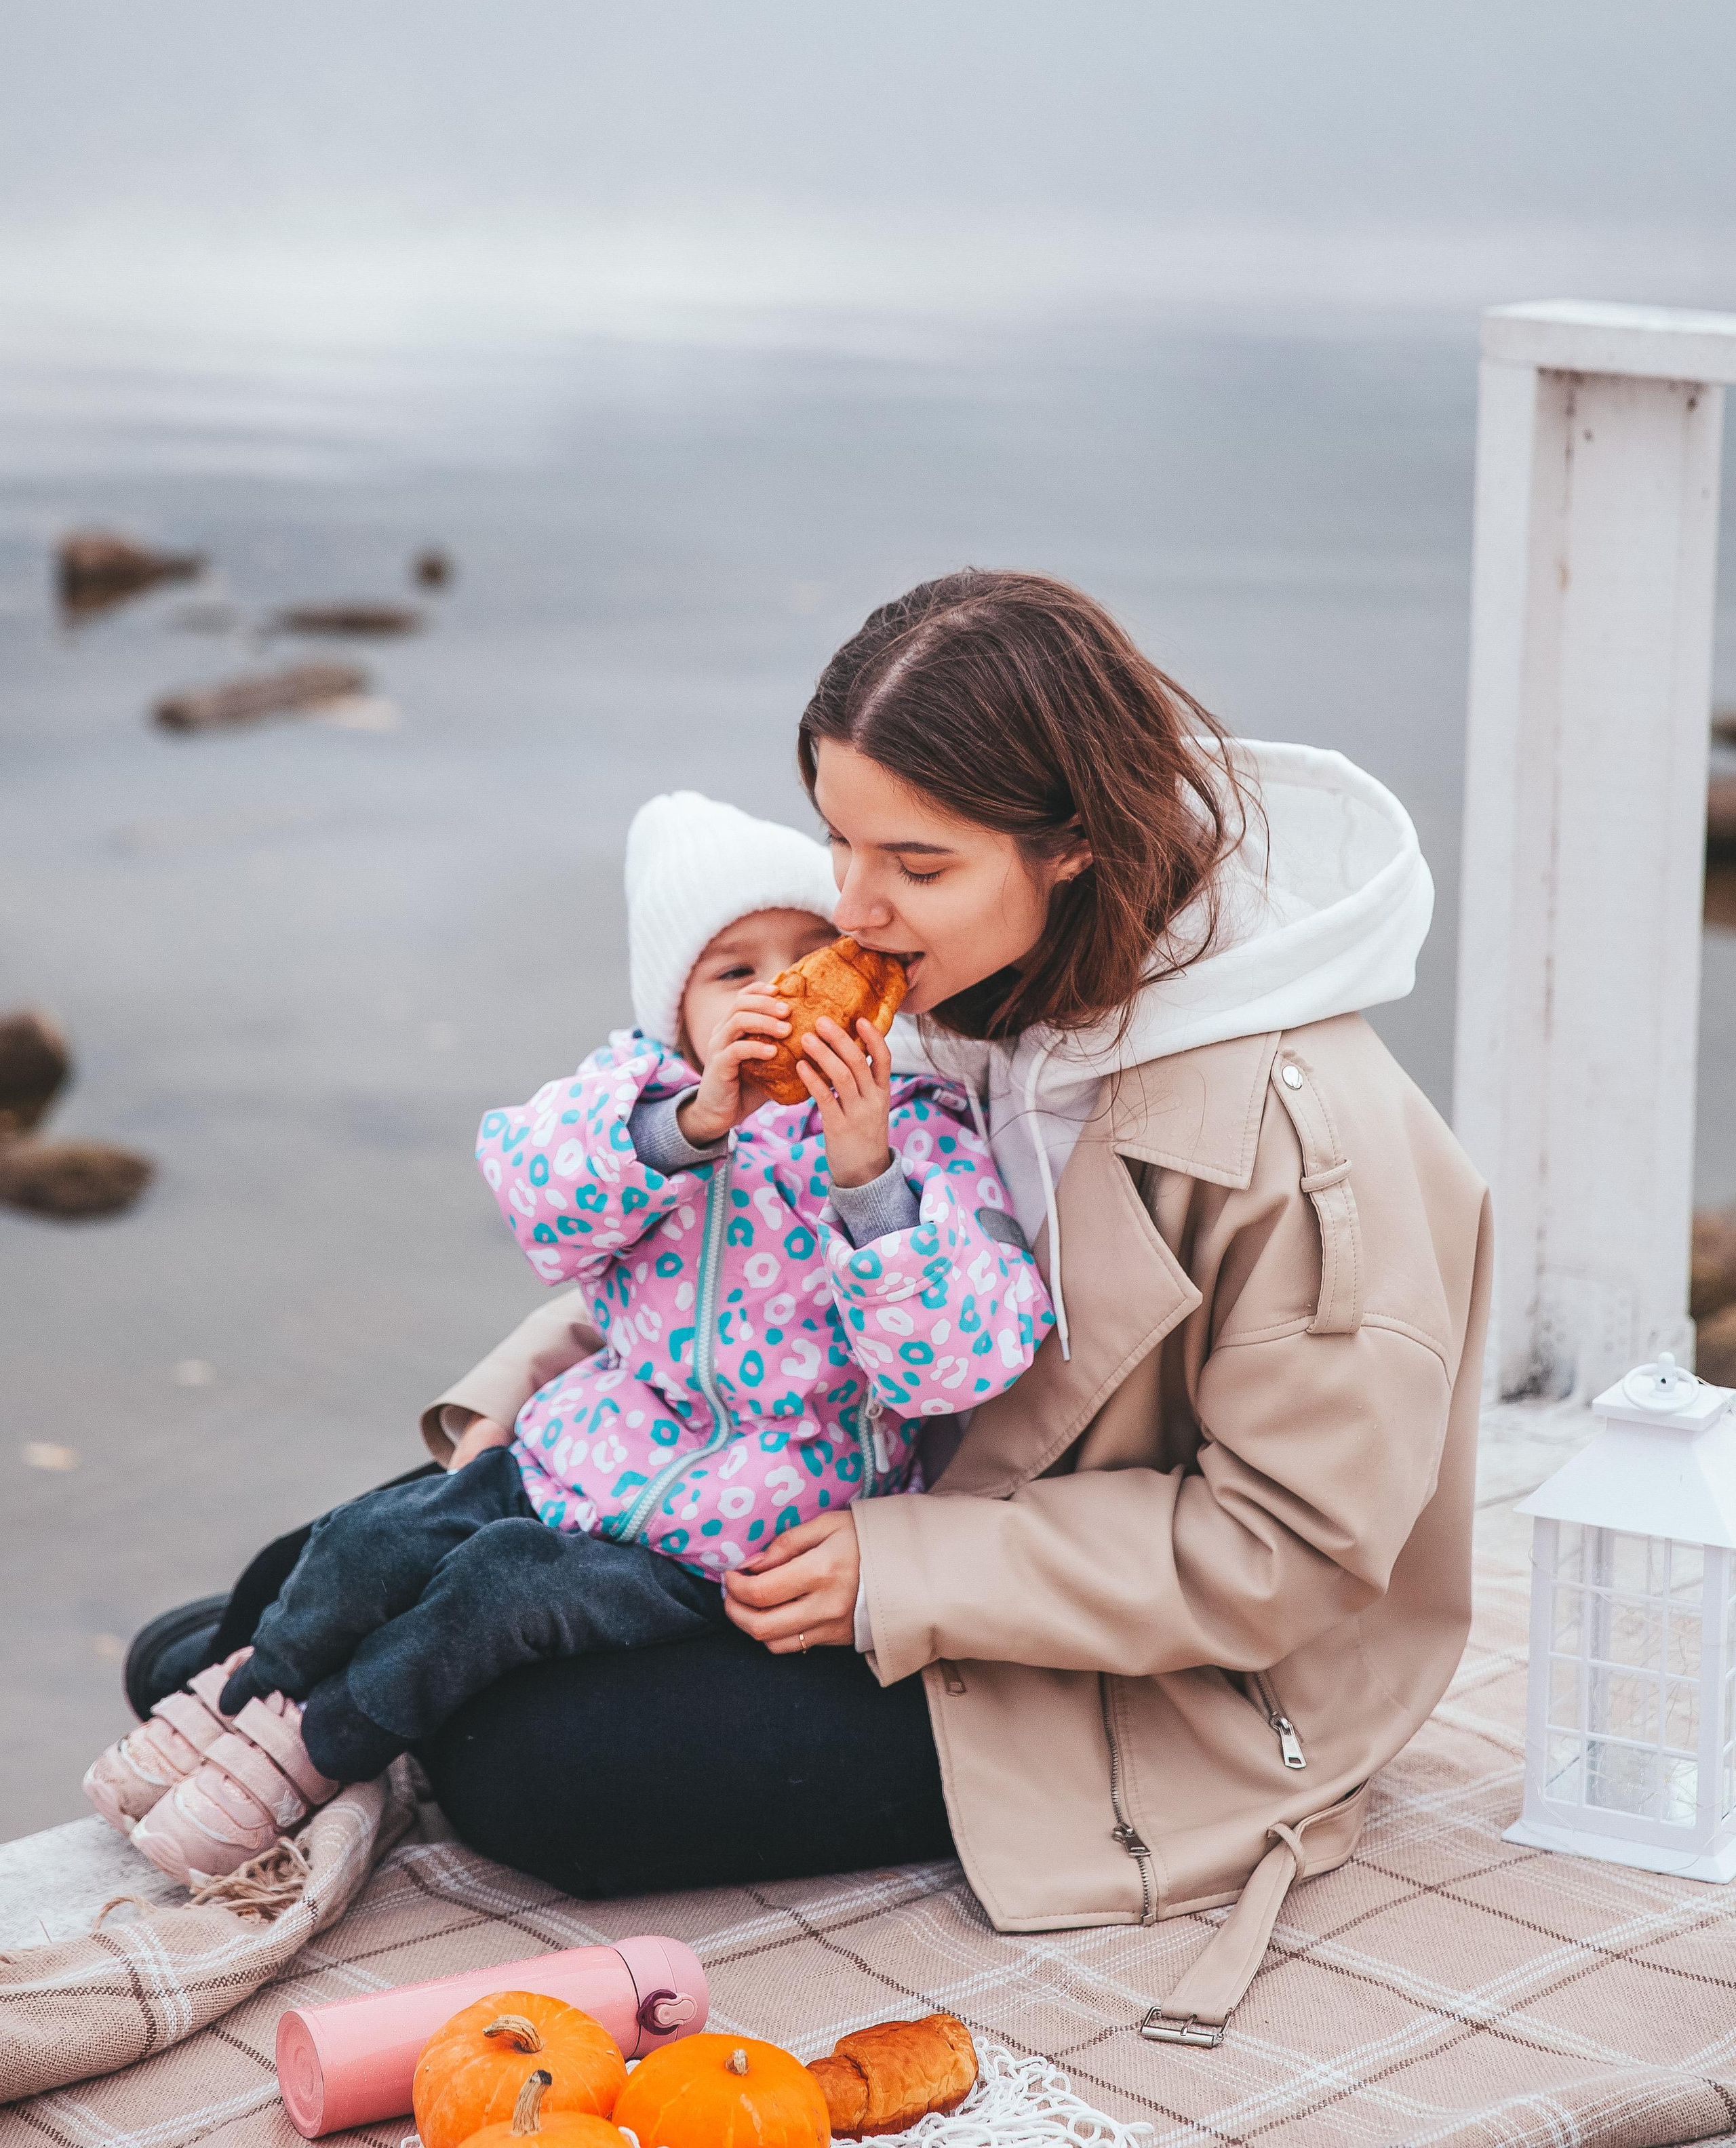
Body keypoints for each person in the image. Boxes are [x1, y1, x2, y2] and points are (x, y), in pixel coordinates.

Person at [125, 570, 1488, 2043]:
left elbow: (1292, 1551)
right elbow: (717, 1271)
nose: (850, 908)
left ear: (1075, 844)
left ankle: (352, 1730)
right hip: (786, 1480)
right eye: (840, 840)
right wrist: (518, 1422)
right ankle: (342, 1711)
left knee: (537, 1771)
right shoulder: (961, 982)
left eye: (914, 860)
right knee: (267, 1596)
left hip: (1133, 1661)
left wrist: (903, 1570)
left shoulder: (1308, 1135)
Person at [90, 789, 1047, 1886]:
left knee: (497, 1591)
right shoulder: (639, 1102)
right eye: (735, 972)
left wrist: (866, 1174)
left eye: (810, 954)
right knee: (364, 1540)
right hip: (579, 1458)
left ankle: (313, 1752)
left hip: (741, 1534)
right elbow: (535, 1199)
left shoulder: (918, 1131)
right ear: (672, 1013)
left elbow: (958, 1363)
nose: (780, 993)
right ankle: (233, 1707)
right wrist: (690, 1124)